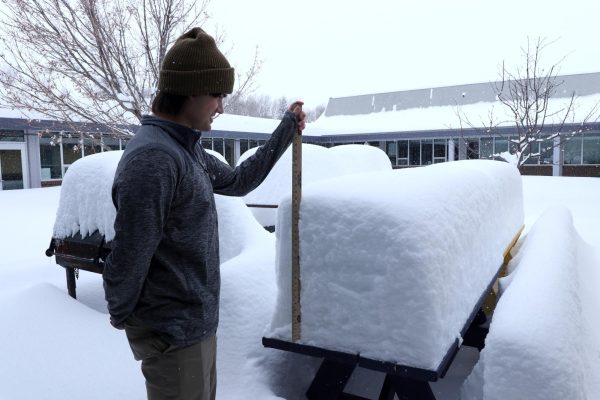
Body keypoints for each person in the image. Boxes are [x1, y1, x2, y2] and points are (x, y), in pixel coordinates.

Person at [102, 27, 306, 400]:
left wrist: (286, 128)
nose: (222, 107)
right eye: (217, 95)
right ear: (190, 91)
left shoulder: (186, 150)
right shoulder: (155, 159)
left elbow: (240, 180)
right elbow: (130, 253)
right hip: (172, 335)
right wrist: (128, 316)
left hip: (194, 327)